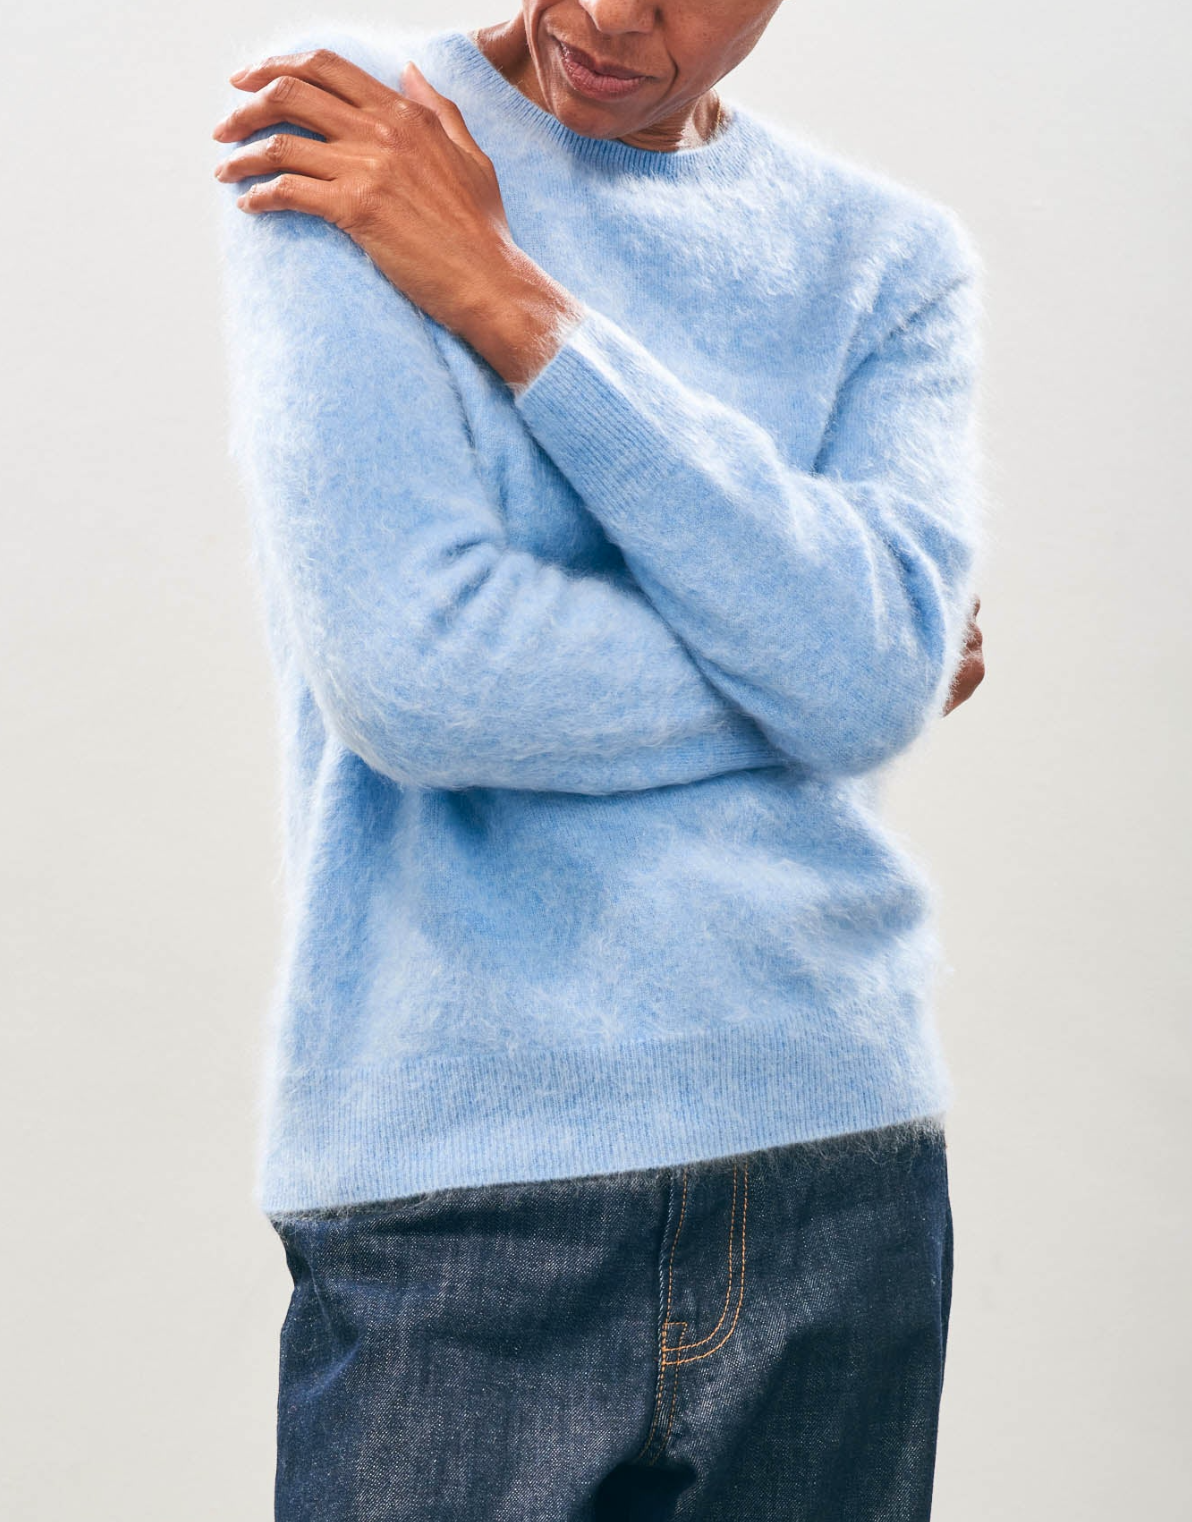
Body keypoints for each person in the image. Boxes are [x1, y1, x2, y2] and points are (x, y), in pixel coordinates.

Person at [211, 4, 988, 1516]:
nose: (612, 12)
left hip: (839, 1152)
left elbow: (871, 656)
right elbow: (419, 669)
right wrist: (839, 658)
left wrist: (514, 304)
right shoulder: (365, 140)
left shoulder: (889, 263)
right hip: (459, 1200)